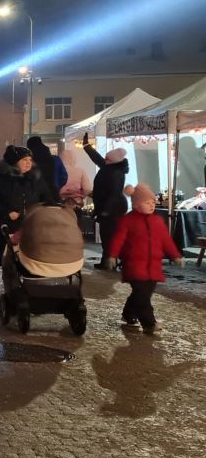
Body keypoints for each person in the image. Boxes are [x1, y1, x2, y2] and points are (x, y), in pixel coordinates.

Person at [106, 183, 183, 334]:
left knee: (141, 294)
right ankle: (149, 324)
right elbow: (118, 239)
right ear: (136, 204)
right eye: (147, 202)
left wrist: (175, 255)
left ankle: (128, 314)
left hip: (153, 267)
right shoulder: (127, 221)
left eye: (153, 202)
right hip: (134, 265)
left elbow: (166, 240)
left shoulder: (157, 221)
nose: (152, 205)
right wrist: (112, 255)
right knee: (143, 296)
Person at [0, 145, 51, 268]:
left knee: (29, 258)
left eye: (30, 160)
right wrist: (7, 212)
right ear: (14, 162)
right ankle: (11, 283)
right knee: (8, 260)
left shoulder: (35, 178)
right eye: (24, 160)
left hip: (29, 225)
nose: (28, 163)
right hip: (6, 225)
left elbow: (46, 196)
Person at [82, 132, 130, 268]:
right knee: (108, 236)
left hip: (112, 210)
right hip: (109, 208)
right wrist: (87, 146)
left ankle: (111, 262)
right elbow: (97, 158)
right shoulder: (110, 166)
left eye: (107, 158)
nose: (105, 159)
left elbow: (114, 194)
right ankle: (111, 261)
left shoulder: (115, 173)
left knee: (109, 236)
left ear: (112, 160)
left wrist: (106, 211)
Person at [27, 136, 67, 203]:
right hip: (53, 195)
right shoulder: (56, 159)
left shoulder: (28, 161)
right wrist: (57, 186)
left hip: (33, 197)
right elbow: (64, 177)